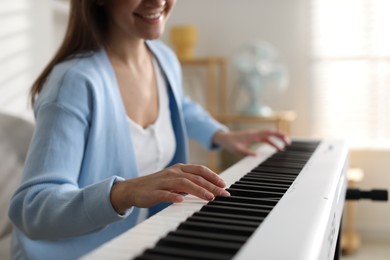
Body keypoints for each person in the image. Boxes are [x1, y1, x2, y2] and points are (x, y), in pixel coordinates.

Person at [8, 0, 290, 259]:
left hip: (136, 240)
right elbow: (31, 207)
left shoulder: (162, 58)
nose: (158, 2)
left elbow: (179, 105)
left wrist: (220, 135)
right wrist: (125, 191)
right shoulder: (73, 84)